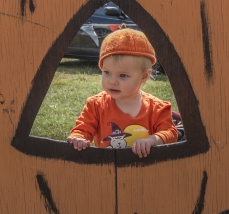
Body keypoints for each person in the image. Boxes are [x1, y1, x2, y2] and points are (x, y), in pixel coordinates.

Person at [67, 28, 178, 158]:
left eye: (123, 75)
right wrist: (78, 138)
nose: (112, 81)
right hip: (108, 167)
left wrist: (153, 139)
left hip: (146, 168)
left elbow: (171, 133)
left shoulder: (157, 108)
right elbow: (82, 129)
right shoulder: (95, 105)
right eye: (107, 72)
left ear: (143, 76)